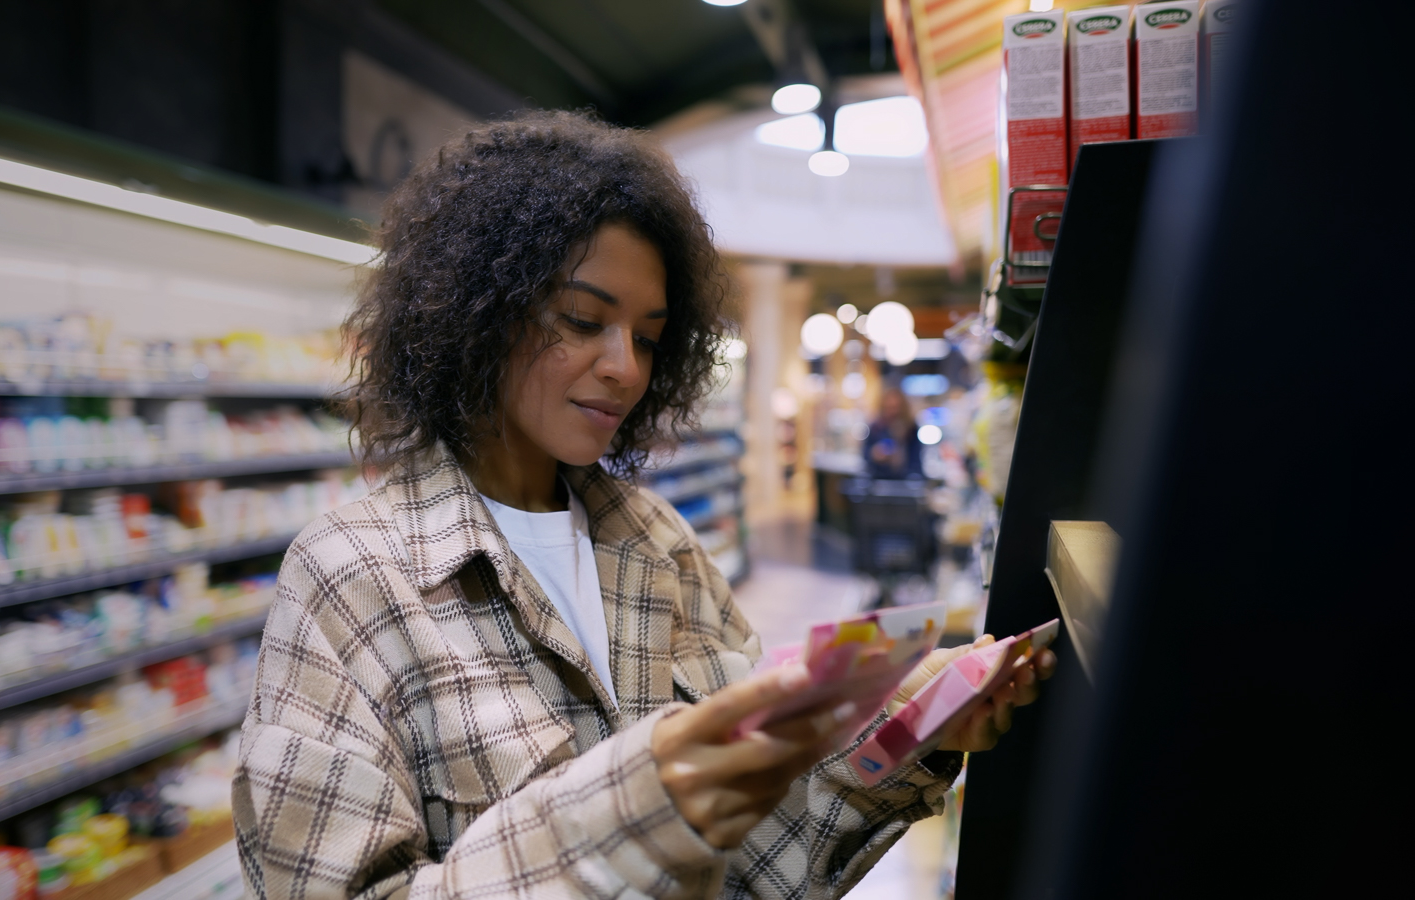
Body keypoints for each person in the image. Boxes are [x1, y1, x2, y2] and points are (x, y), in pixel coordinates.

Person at [233, 112, 1054, 899]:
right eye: (583, 320)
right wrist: (633, 813)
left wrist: (907, 734)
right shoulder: (352, 578)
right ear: (476, 312)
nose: (625, 367)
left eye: (650, 337)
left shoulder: (660, 542)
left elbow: (764, 866)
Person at [863, 387, 924, 480]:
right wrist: (874, 455)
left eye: (896, 407)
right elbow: (865, 456)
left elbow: (917, 464)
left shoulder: (912, 429)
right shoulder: (876, 428)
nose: (893, 412)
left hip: (905, 483)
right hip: (879, 481)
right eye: (889, 408)